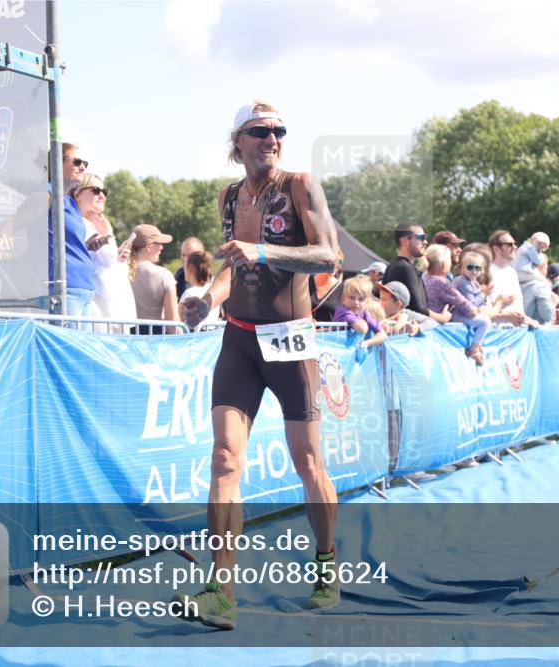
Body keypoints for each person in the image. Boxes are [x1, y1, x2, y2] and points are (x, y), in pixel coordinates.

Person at [175, 100, 342, 629]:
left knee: (308, 464)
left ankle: (326, 561)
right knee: (224, 459)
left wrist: (265, 251)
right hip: (239, 342)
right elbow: (232, 266)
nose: (272, 138)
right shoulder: (228, 195)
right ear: (238, 142)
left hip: (290, 341)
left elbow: (330, 255)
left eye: (278, 131)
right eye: (260, 131)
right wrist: (207, 298)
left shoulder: (299, 184)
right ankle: (221, 592)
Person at [73, 173, 137, 331]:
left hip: (110, 308)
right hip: (97, 305)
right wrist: (108, 234)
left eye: (104, 191)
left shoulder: (96, 225)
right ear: (78, 194)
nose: (101, 195)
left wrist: (119, 259)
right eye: (95, 190)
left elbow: (109, 263)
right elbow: (106, 261)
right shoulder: (80, 224)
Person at [48, 142, 95, 322]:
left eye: (84, 163)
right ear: (57, 163)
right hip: (65, 288)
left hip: (84, 288)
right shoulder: (47, 194)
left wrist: (87, 246)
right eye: (76, 162)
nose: (82, 167)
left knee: (80, 349)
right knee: (69, 349)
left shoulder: (70, 202)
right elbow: (15, 224)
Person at [423, 244, 491, 365]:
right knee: (485, 321)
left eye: (478, 268)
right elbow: (469, 308)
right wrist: (483, 296)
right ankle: (474, 349)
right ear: (442, 262)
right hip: (440, 323)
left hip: (434, 323)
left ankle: (477, 345)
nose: (451, 263)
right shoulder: (441, 282)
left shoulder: (425, 277)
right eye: (449, 259)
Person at [382, 223, 451, 322]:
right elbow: (418, 309)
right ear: (405, 240)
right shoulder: (405, 268)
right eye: (421, 237)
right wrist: (443, 318)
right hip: (408, 333)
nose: (425, 242)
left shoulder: (394, 265)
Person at [128, 224, 180, 334]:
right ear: (149, 246)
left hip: (127, 338)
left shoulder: (121, 272)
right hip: (155, 339)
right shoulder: (164, 275)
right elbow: (173, 322)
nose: (162, 248)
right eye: (159, 243)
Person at [333, 275, 388, 350]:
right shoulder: (342, 311)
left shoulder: (364, 312)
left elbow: (383, 335)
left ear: (367, 301)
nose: (356, 302)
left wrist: (367, 343)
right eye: (352, 297)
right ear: (344, 298)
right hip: (336, 349)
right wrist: (364, 322)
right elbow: (363, 329)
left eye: (361, 299)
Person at [486, 230, 528, 325]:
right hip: (494, 332)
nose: (514, 247)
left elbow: (518, 306)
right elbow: (486, 310)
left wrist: (526, 319)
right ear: (496, 249)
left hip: (514, 332)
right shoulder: (486, 271)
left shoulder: (512, 272)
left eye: (515, 244)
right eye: (509, 244)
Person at [179, 250, 221, 331]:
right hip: (211, 339)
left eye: (185, 266)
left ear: (190, 268)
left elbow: (178, 321)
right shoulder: (212, 292)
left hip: (193, 340)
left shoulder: (189, 293)